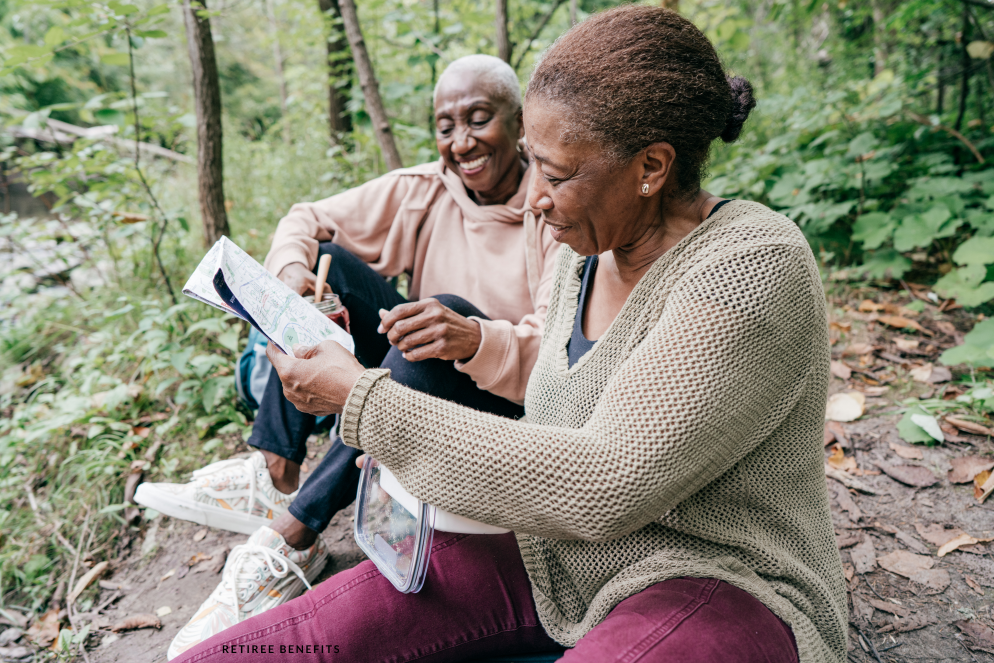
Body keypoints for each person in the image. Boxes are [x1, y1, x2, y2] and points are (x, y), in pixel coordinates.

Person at [173, 7, 848, 663]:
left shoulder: (750, 267)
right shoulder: (582, 253)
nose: (535, 198)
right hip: (558, 557)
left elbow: (605, 480)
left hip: (720, 579)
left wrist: (364, 401)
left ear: (651, 168)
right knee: (266, 646)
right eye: (536, 166)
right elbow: (556, 391)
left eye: (553, 175)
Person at [136, 54, 560, 660]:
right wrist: (293, 277)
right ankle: (275, 470)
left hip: (498, 400)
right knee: (344, 273)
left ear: (518, 123)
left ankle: (295, 533)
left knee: (432, 321)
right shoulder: (424, 191)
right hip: (412, 369)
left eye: (479, 119)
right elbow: (306, 218)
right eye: (446, 126)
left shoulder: (555, 210)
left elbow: (555, 359)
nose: (461, 142)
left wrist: (470, 336)